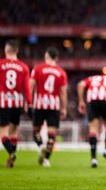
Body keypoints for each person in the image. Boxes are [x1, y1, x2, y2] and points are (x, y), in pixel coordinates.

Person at [30, 47, 67, 167]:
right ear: (56, 58)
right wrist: (64, 108)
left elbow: (31, 86)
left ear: (46, 56)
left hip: (39, 104)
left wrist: (28, 101)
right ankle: (46, 159)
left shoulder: (37, 69)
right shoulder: (61, 72)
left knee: (36, 130)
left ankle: (41, 146)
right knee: (52, 135)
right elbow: (63, 92)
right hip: (54, 105)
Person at [0, 40, 31, 168]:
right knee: (13, 133)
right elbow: (26, 88)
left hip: (3, 102)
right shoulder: (23, 67)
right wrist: (28, 102)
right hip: (17, 102)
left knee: (3, 134)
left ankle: (11, 153)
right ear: (17, 51)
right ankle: (11, 161)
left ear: (6, 50)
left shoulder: (1, 64)